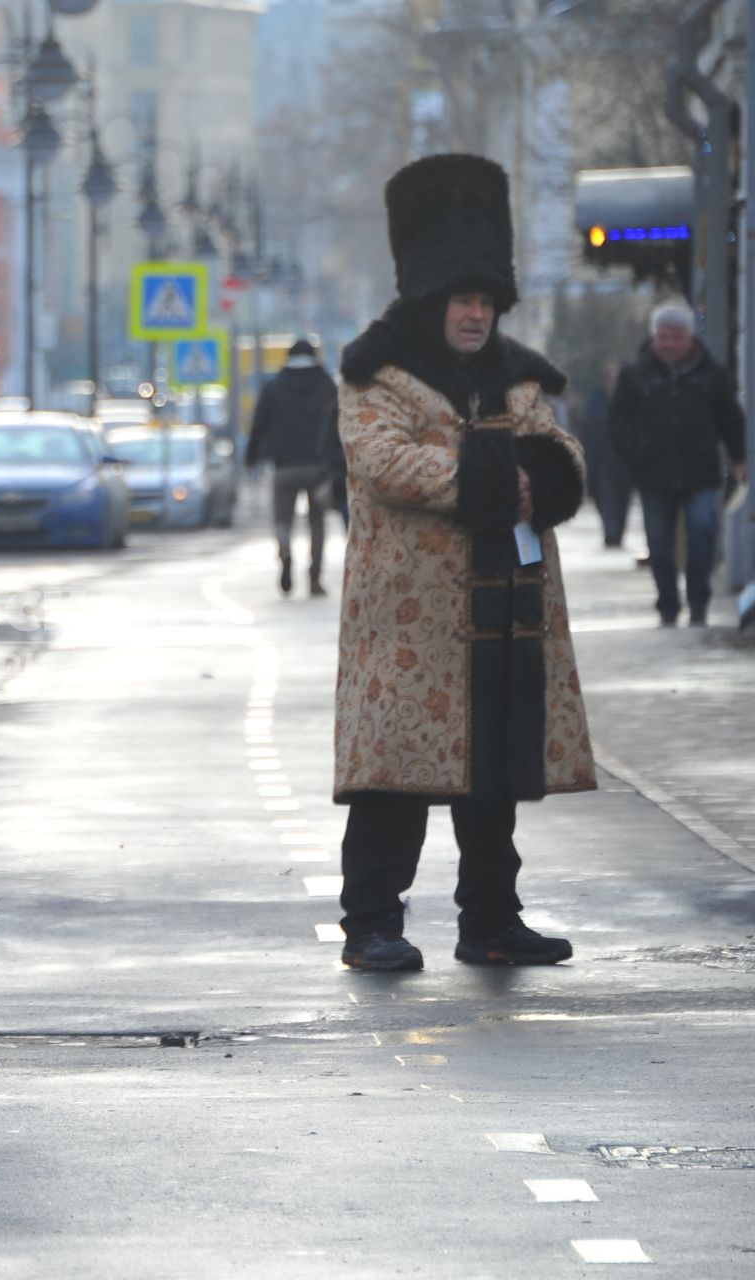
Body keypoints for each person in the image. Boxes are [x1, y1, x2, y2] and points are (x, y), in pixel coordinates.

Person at [332, 153, 595, 973]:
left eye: (486, 300)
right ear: (431, 299)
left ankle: (490, 920)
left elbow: (557, 449)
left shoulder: (515, 379)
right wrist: (494, 479)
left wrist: (543, 477)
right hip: (409, 621)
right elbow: (386, 461)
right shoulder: (375, 375)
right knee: (393, 779)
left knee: (494, 778)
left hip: (503, 609)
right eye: (463, 299)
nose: (476, 315)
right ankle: (371, 923)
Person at [606, 301, 749, 627]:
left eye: (675, 337)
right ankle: (668, 605)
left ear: (689, 338)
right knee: (659, 542)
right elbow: (618, 424)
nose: (668, 344)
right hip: (653, 474)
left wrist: (739, 456)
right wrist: (634, 453)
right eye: (663, 337)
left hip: (699, 472)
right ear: (654, 338)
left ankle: (698, 601)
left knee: (702, 531)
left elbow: (730, 419)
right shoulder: (635, 374)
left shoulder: (711, 374)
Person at [246, 338, 340, 595]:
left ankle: (285, 550)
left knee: (282, 518)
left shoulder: (274, 387)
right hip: (319, 469)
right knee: (317, 522)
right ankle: (314, 577)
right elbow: (338, 426)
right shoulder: (327, 385)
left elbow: (259, 424)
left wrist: (251, 456)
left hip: (284, 467)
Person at [575, 360, 632, 548]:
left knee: (622, 499)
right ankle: (611, 531)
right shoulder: (595, 400)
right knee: (604, 496)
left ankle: (617, 532)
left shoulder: (628, 399)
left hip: (624, 459)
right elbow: (588, 429)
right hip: (601, 458)